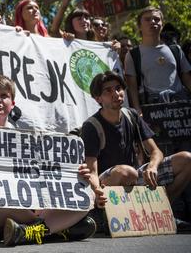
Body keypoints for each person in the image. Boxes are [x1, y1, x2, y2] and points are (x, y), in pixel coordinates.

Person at [0, 75, 96, 246]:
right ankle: (52, 228)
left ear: (12, 104)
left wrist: (75, 176)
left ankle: (31, 231)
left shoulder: (26, 139)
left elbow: (41, 184)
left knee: (87, 194)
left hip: (27, 207)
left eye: (4, 96)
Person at [82, 72, 191, 210]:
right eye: (108, 91)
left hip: (134, 177)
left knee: (187, 159)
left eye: (118, 88)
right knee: (127, 173)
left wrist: (152, 166)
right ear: (98, 98)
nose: (116, 93)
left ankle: (161, 210)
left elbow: (155, 151)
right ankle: (110, 216)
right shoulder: (91, 126)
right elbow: (92, 171)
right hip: (107, 183)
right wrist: (97, 192)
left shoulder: (131, 115)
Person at [124, 7, 191, 114]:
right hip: (153, 109)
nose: (152, 22)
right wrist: (138, 110)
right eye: (147, 19)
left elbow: (187, 78)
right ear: (139, 26)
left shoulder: (175, 49)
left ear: (162, 24)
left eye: (156, 19)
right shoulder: (133, 55)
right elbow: (132, 87)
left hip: (181, 105)